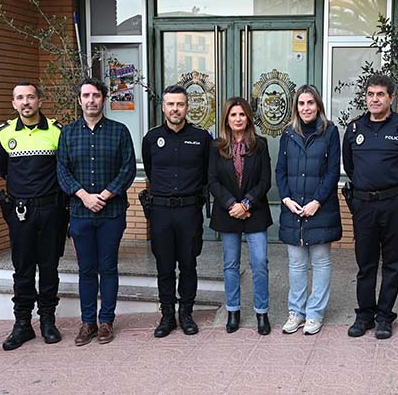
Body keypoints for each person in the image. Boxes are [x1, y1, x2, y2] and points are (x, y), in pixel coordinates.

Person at [343, 74, 398, 340]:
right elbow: (350, 167)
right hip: (364, 205)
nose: (374, 99)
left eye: (380, 94)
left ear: (391, 98)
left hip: (393, 204)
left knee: (393, 262)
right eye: (370, 94)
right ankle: (364, 314)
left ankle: (384, 316)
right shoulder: (354, 129)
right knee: (365, 263)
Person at [57, 78, 136, 347]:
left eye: (96, 95)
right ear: (79, 100)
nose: (91, 100)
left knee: (108, 267)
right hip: (80, 213)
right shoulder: (67, 134)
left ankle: (106, 322)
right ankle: (87, 322)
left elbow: (127, 169)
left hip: (111, 212)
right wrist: (84, 196)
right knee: (87, 269)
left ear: (104, 99)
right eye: (86, 96)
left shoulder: (119, 131)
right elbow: (62, 171)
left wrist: (104, 195)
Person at [0, 82, 66, 350]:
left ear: (40, 101)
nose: (26, 102)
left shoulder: (57, 131)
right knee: (22, 269)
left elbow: (64, 168)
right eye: (20, 98)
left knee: (49, 268)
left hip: (51, 210)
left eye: (31, 97)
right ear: (14, 103)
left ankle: (48, 321)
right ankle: (22, 324)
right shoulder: (3, 133)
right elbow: (3, 170)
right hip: (20, 211)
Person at [141, 85, 212, 338]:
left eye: (180, 104)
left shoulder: (202, 138)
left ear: (187, 107)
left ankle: (186, 313)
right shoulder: (151, 138)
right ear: (163, 107)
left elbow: (206, 173)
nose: (175, 109)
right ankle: (168, 315)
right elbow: (150, 170)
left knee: (189, 264)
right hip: (160, 211)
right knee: (164, 266)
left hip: (189, 210)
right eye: (170, 104)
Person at [275, 85, 341, 336]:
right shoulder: (288, 134)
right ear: (296, 107)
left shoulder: (330, 132)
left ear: (318, 105)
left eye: (310, 103)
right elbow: (280, 170)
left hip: (319, 208)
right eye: (301, 103)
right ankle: (296, 312)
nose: (306, 108)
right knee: (296, 263)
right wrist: (285, 198)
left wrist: (317, 202)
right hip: (294, 208)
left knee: (321, 262)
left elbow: (333, 171)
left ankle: (315, 313)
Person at [207, 97, 273, 335]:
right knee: (231, 265)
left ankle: (262, 312)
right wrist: (230, 204)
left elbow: (266, 180)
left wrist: (246, 204)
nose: (238, 119)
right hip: (227, 212)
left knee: (259, 263)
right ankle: (233, 310)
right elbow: (212, 180)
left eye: (242, 115)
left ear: (248, 118)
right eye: (233, 115)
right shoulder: (216, 147)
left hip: (254, 211)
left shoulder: (261, 144)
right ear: (227, 118)